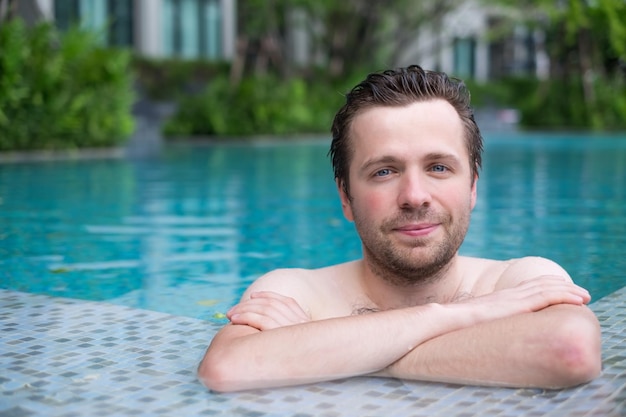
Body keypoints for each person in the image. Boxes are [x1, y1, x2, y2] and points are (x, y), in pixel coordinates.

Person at [197, 65, 602, 393]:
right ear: (345, 197)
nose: (414, 196)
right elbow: (228, 369)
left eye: (438, 168)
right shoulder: (294, 291)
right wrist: (466, 315)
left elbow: (570, 351)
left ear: (473, 187)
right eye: (384, 171)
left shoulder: (520, 280)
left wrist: (332, 351)